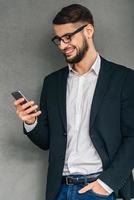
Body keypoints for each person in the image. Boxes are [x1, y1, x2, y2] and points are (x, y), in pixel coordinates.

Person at [14, 4, 134, 200]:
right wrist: (30, 122)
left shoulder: (124, 79)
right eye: (58, 39)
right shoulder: (52, 83)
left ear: (88, 30)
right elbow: (46, 142)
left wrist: (106, 184)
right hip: (59, 190)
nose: (62, 45)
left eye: (68, 37)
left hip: (100, 189)